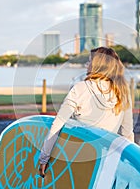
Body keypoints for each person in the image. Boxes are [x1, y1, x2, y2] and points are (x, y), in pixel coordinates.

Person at [39, 47, 134, 177]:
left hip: (79, 160)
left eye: (89, 61)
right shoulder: (122, 92)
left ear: (97, 65)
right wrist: (129, 164)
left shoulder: (80, 88)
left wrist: (44, 157)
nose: (87, 65)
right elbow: (127, 134)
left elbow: (58, 124)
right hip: (106, 164)